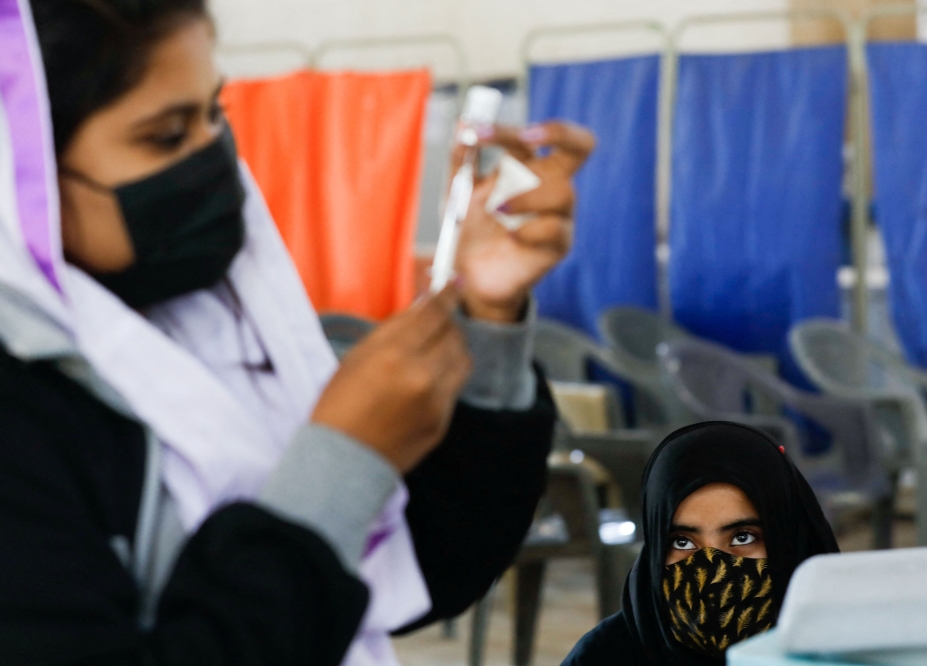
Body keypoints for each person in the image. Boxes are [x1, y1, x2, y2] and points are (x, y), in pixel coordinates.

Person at [0, 0, 594, 664]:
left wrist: (487, 316)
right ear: (19, 167)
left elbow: (429, 570)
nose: (215, 157)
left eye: (215, 114)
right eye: (167, 136)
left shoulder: (220, 323)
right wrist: (341, 461)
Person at [563, 422, 840, 666]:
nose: (712, 568)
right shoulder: (603, 657)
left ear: (787, 538)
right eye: (682, 542)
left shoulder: (848, 649)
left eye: (742, 537)